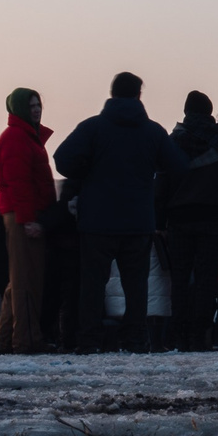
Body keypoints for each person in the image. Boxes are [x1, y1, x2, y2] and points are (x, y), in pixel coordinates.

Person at [54, 71, 186, 353]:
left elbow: (62, 160)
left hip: (96, 221)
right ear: (139, 95)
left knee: (92, 284)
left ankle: (89, 340)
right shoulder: (153, 132)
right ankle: (135, 339)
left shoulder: (92, 128)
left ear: (112, 94)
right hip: (138, 221)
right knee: (135, 285)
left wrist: (87, 171)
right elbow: (178, 167)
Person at [156, 91, 218, 352]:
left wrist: (160, 222)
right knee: (207, 280)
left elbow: (161, 184)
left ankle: (178, 335)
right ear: (209, 111)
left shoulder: (172, 143)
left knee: (180, 279)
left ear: (186, 112)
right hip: (213, 221)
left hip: (179, 221)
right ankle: (200, 335)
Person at [0, 89, 55, 354]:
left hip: (20, 214)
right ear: (19, 109)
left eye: (38, 104)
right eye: (31, 106)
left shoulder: (24, 136)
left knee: (18, 281)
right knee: (26, 280)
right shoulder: (18, 138)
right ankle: (26, 341)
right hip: (22, 216)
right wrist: (28, 219)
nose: (37, 109)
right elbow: (18, 182)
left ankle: (6, 340)